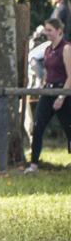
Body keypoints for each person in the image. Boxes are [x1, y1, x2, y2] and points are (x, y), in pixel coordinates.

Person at [25, 18, 71, 173]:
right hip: (48, 91)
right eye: (46, 30)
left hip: (62, 91)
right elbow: (47, 72)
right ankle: (33, 165)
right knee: (37, 127)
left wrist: (61, 97)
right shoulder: (47, 49)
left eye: (50, 30)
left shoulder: (66, 49)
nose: (47, 33)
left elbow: (70, 76)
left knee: (68, 127)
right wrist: (44, 89)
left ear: (59, 31)